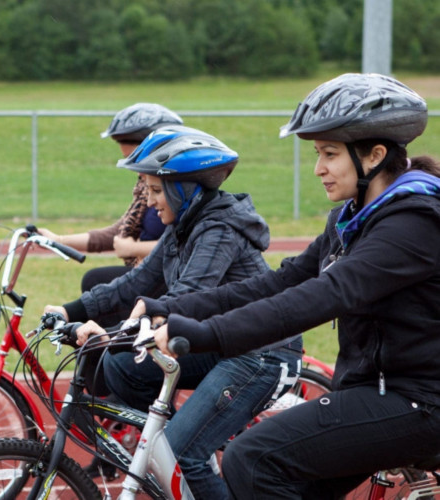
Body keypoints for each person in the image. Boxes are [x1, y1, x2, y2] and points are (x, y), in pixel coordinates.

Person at [133, 73, 440, 499]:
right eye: (318, 153)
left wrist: (207, 334)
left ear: (374, 155)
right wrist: (169, 307)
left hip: (419, 401)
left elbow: (322, 297)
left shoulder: (413, 225)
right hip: (374, 390)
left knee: (252, 458)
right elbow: (277, 283)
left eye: (330, 154)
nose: (318, 169)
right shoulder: (350, 220)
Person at [44, 125, 303, 498]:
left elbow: (185, 296)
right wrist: (70, 311)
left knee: (181, 455)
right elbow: (135, 284)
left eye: (153, 189)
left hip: (261, 353)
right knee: (122, 368)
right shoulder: (182, 226)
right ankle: (189, 450)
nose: (148, 201)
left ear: (183, 189)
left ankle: (186, 454)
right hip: (222, 340)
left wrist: (112, 333)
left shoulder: (219, 228)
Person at [38, 102, 183, 295]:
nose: (134, 168)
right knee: (95, 283)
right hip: (148, 271)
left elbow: (184, 244)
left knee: (95, 281)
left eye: (136, 158)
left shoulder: (179, 187)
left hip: (171, 278)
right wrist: (58, 240)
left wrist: (134, 248)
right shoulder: (145, 187)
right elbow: (116, 234)